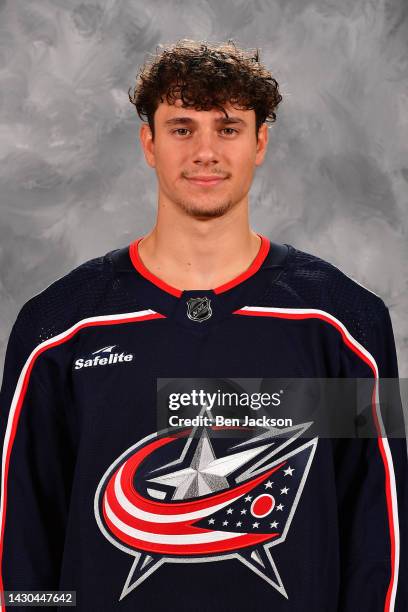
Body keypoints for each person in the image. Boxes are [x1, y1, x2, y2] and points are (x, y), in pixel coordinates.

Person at [0, 38, 406, 611]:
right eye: (183, 128)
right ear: (149, 143)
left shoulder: (344, 324)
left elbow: (381, 537)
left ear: (261, 141)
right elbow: (20, 542)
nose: (206, 152)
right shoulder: (61, 329)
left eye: (229, 128)